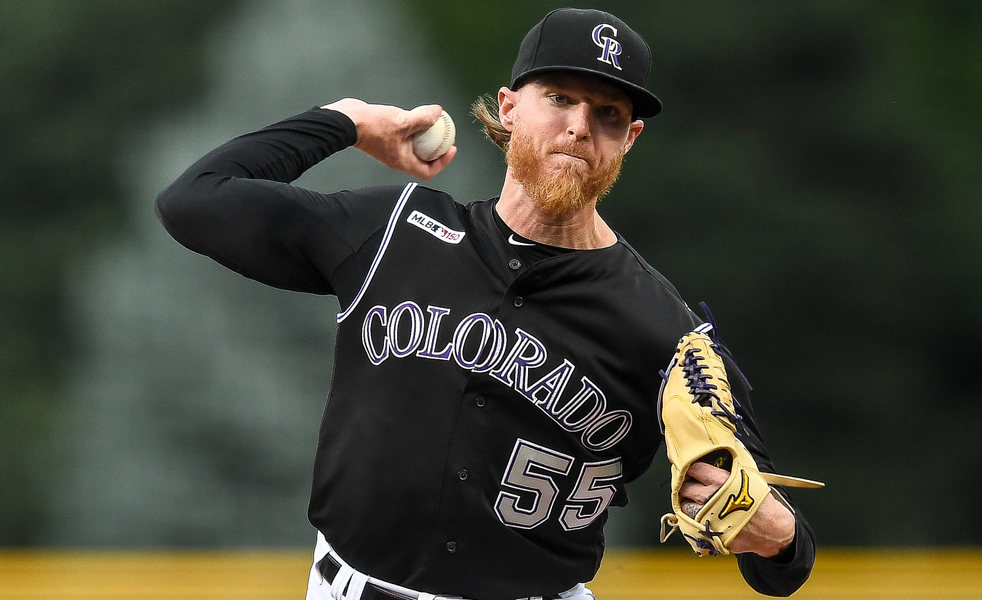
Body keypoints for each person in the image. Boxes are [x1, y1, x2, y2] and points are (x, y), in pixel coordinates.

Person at [155, 7, 816, 600]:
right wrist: (346, 121)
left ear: (629, 140)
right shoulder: (391, 232)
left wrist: (779, 536)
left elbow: (777, 554)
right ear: (508, 107)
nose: (580, 127)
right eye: (560, 97)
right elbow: (194, 201)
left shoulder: (668, 333)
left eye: (608, 114)